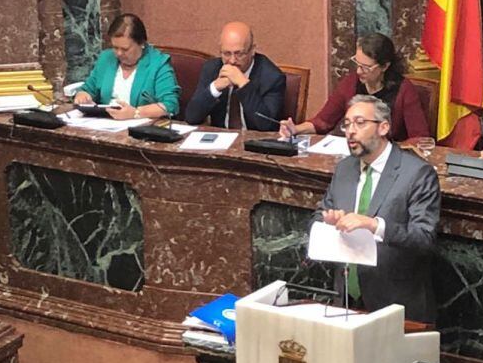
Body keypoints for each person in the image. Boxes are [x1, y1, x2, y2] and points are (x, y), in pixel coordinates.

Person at [312, 95, 440, 323]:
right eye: (347, 124)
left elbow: (424, 238)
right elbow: (318, 215)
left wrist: (375, 225)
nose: (350, 131)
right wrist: (328, 221)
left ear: (383, 127)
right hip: (346, 302)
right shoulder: (344, 169)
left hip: (396, 304)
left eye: (360, 123)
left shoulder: (417, 174)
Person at [281, 33, 429, 142]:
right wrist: (296, 129)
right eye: (357, 64)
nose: (358, 71)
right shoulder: (351, 83)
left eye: (366, 67)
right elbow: (323, 121)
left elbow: (419, 138)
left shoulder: (404, 90)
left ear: (384, 66)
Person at [73, 13, 180, 120]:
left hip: (140, 128)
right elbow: (88, 89)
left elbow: (170, 105)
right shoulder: (106, 58)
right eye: (115, 47)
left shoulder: (158, 64)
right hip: (105, 125)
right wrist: (82, 95)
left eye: (125, 49)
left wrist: (136, 113)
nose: (119, 53)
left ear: (141, 43)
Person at [184, 22, 285, 131]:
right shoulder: (212, 69)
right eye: (227, 54)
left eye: (239, 54)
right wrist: (215, 88)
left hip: (253, 144)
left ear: (252, 50)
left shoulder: (272, 77)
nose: (232, 61)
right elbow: (191, 117)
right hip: (219, 140)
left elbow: (266, 126)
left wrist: (243, 84)